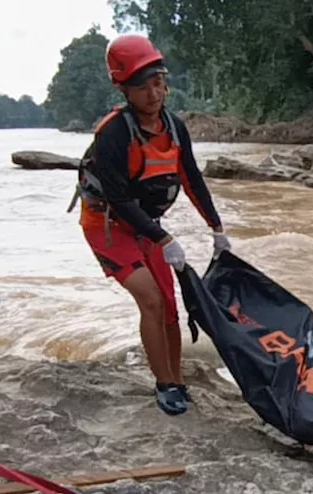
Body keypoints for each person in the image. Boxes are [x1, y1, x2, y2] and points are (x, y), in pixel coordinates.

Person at [75, 34, 230, 416]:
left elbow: (192, 179)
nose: (153, 93)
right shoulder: (112, 133)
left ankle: (177, 378)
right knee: (150, 298)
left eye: (158, 82)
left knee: (170, 309)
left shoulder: (174, 127)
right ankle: (164, 384)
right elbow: (119, 199)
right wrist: (164, 238)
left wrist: (217, 228)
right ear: (124, 89)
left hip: (149, 225)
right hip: (108, 225)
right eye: (141, 86)